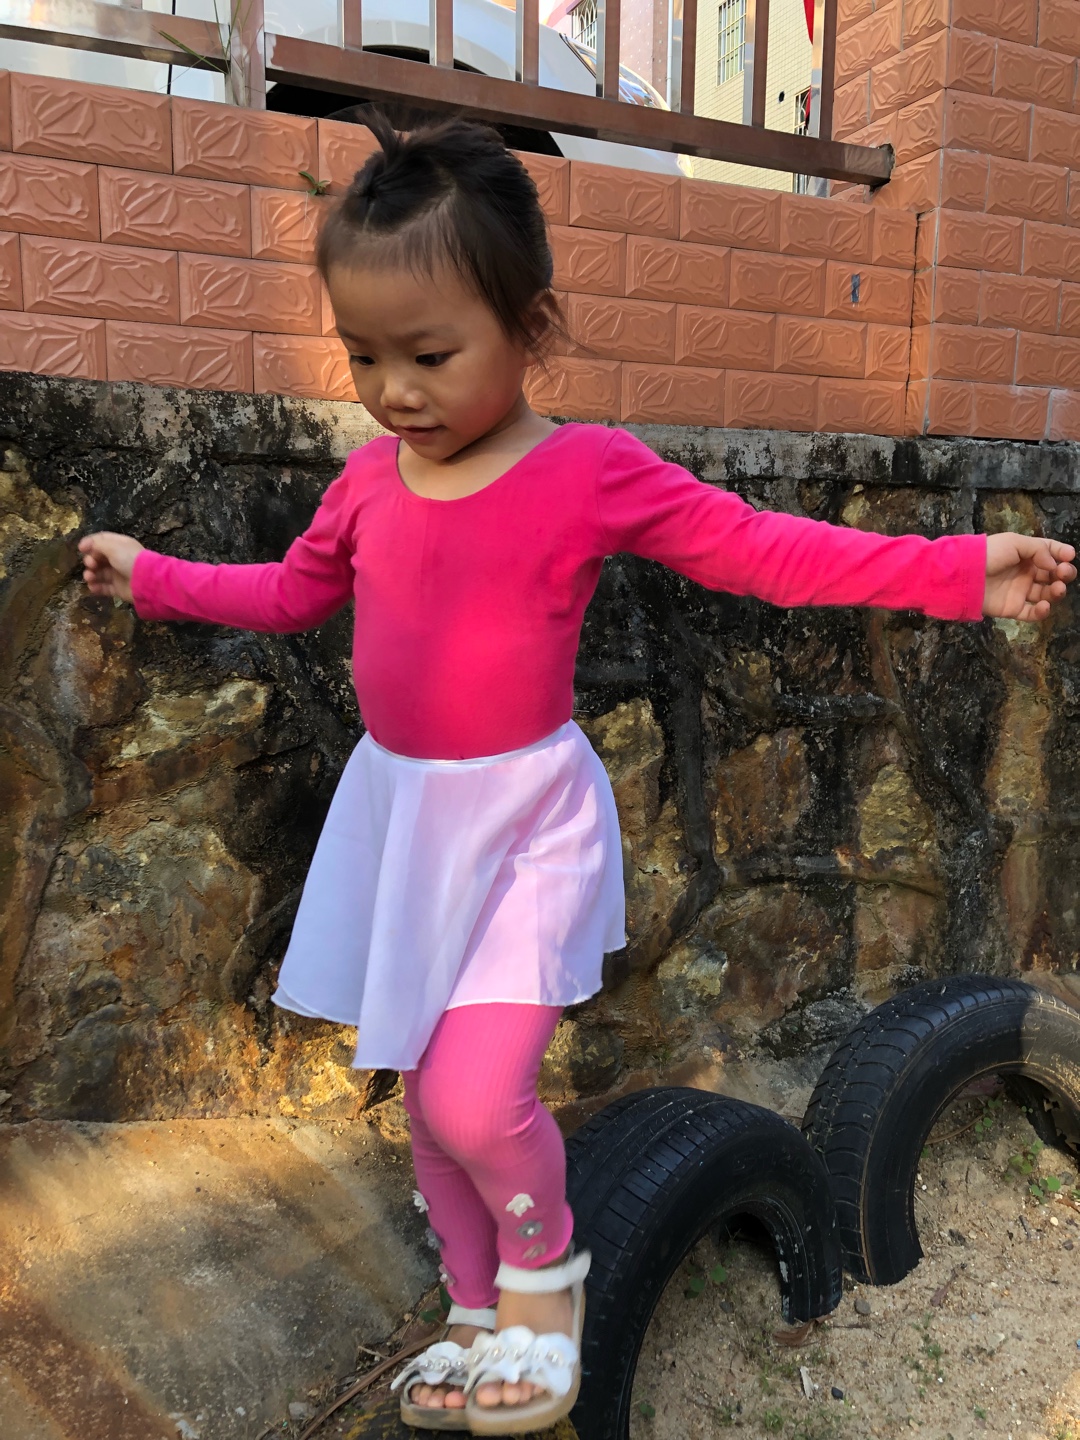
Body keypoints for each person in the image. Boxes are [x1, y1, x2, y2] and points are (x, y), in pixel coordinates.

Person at [78, 113, 1076, 1435]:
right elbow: (285, 593)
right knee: (429, 1104)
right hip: (405, 822)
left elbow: (767, 551)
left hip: (527, 828)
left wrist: (957, 570)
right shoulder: (368, 484)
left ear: (528, 325)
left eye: (430, 354)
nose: (395, 390)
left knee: (473, 1095)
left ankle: (544, 1289)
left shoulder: (587, 472)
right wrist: (153, 576)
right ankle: (473, 1311)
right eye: (365, 356)